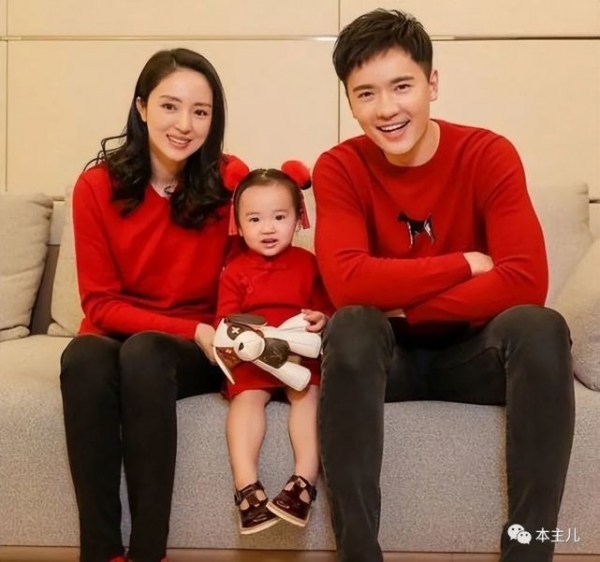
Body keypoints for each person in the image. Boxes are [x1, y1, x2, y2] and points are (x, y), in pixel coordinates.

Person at [312, 9, 575, 562]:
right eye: (365, 94)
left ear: (432, 83)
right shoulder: (338, 167)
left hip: (473, 356)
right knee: (353, 323)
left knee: (541, 327)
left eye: (401, 86)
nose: (386, 109)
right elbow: (347, 283)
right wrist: (462, 264)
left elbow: (526, 281)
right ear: (349, 101)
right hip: (385, 362)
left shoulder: (487, 153)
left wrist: (405, 307)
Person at [59, 48, 238, 562]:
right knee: (82, 358)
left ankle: (147, 552)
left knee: (145, 352)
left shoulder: (228, 180)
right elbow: (99, 303)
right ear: (141, 107)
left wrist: (204, 332)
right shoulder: (96, 186)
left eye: (200, 112)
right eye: (169, 106)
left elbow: (251, 272)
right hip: (127, 332)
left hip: (189, 348)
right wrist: (189, 329)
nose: (184, 125)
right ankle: (100, 551)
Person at [215, 161, 333, 535]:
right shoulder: (235, 270)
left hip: (299, 354)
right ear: (238, 224)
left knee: (308, 395)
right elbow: (226, 321)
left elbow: (326, 308)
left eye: (279, 217)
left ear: (298, 219)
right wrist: (246, 337)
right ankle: (247, 490)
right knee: (247, 400)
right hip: (255, 357)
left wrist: (321, 318)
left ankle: (302, 484)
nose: (268, 228)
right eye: (254, 219)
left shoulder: (308, 264)